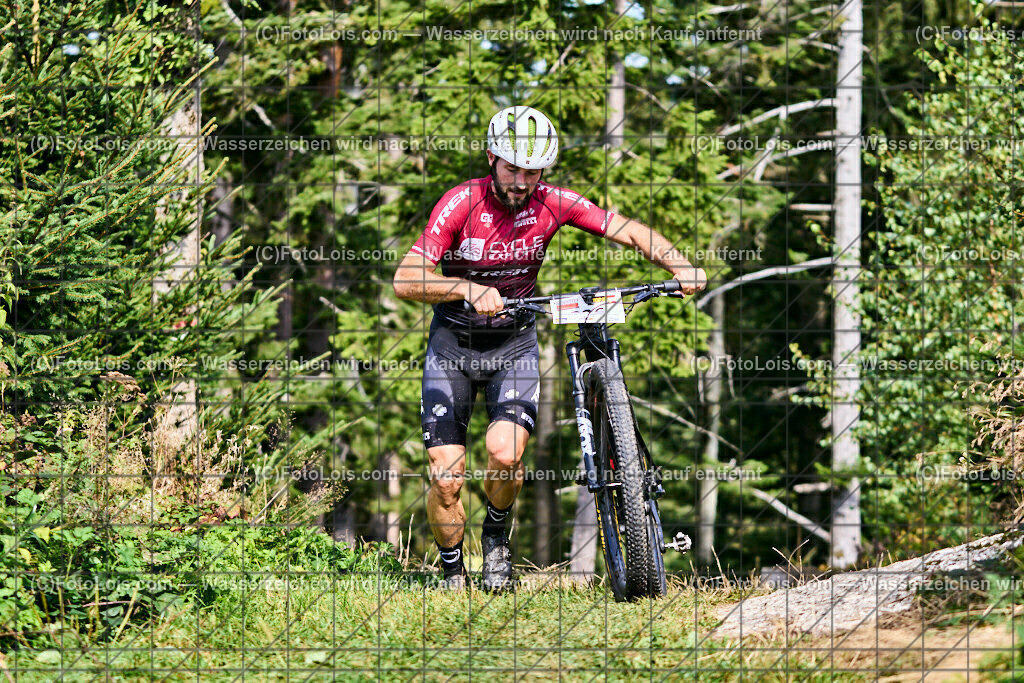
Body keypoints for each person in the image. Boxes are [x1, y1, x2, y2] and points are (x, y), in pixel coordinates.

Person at [393, 105, 707, 591]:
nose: (521, 181)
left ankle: (496, 538)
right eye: (513, 168)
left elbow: (622, 228)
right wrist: (465, 289)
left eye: (532, 170)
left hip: (514, 343)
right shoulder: (460, 203)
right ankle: (453, 569)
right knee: (446, 477)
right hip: (453, 345)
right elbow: (405, 279)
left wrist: (679, 264)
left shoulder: (552, 201)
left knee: (504, 455)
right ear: (492, 158)